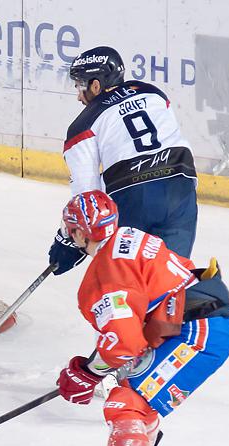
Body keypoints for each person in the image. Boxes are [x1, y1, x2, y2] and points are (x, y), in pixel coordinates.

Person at [55, 191, 229, 446]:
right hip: (202, 323)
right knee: (135, 388)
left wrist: (89, 373)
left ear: (80, 233)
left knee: (125, 403)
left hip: (197, 333)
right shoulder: (129, 236)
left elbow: (124, 341)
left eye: (70, 229)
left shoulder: (103, 276)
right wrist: (94, 367)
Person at [49, 46, 199, 276]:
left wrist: (70, 240)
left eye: (80, 86)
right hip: (181, 186)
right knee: (171, 278)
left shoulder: (82, 126)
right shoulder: (154, 94)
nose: (79, 95)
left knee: (127, 281)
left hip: (134, 196)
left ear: (96, 85)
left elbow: (89, 200)